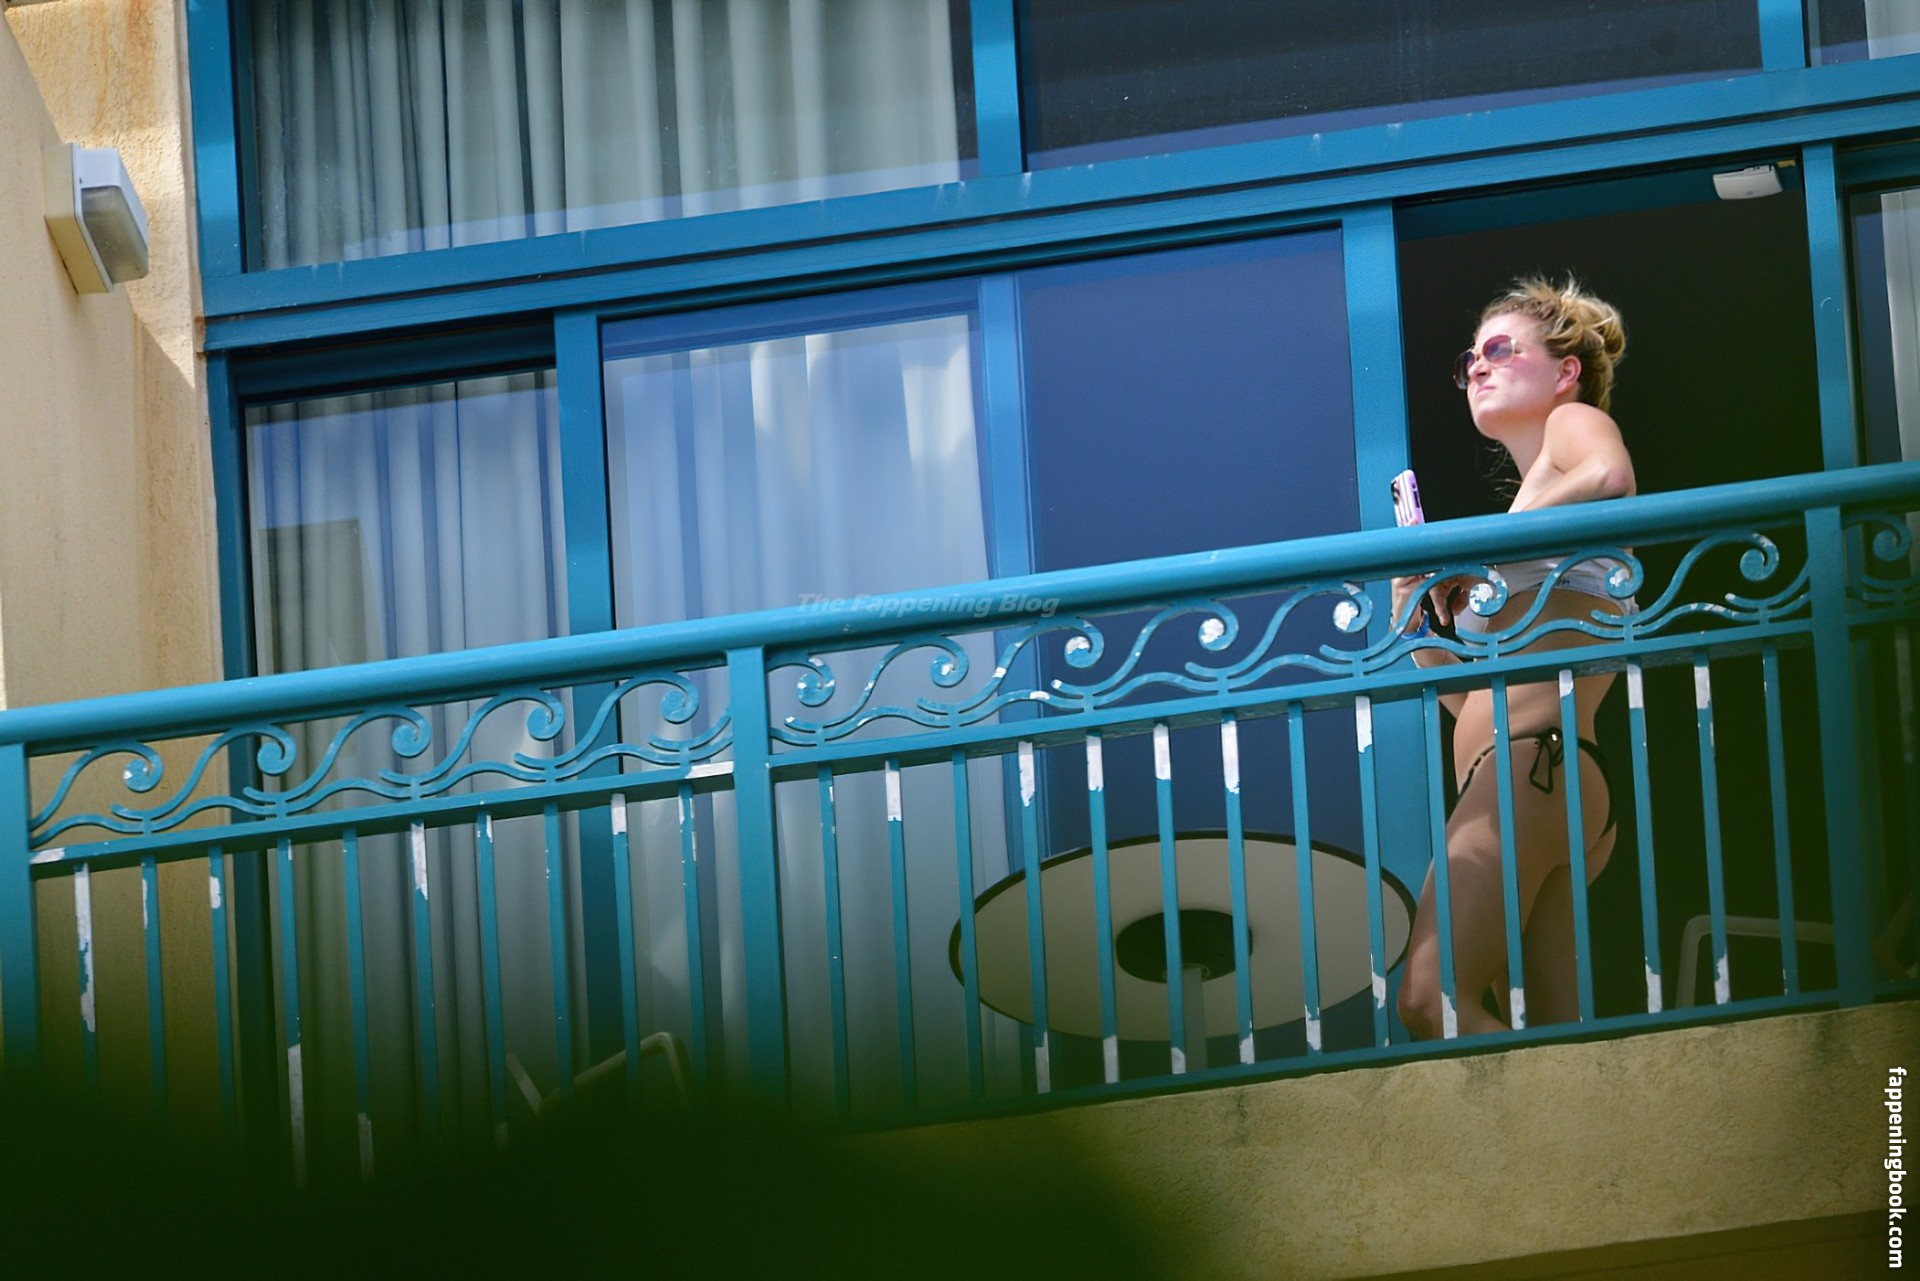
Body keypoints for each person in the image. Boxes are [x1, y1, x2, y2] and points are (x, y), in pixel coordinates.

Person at [1393, 276, 1636, 1039]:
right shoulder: (1527, 510)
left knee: (1430, 1001)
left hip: (1527, 767)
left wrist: (1478, 549)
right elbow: (1474, 702)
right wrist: (1417, 626)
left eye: (1499, 349)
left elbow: (1613, 476)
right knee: (1555, 1041)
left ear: (1566, 370)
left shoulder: (1573, 421)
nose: (1478, 365)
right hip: (1533, 768)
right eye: (1469, 358)